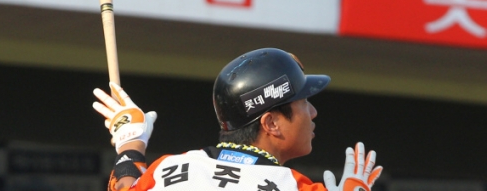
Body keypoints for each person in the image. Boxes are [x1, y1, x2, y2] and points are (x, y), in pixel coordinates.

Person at [92, 47, 384, 191]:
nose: (312, 112)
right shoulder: (291, 185)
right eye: (304, 102)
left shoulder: (168, 169)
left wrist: (130, 146)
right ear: (270, 123)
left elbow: (125, 186)